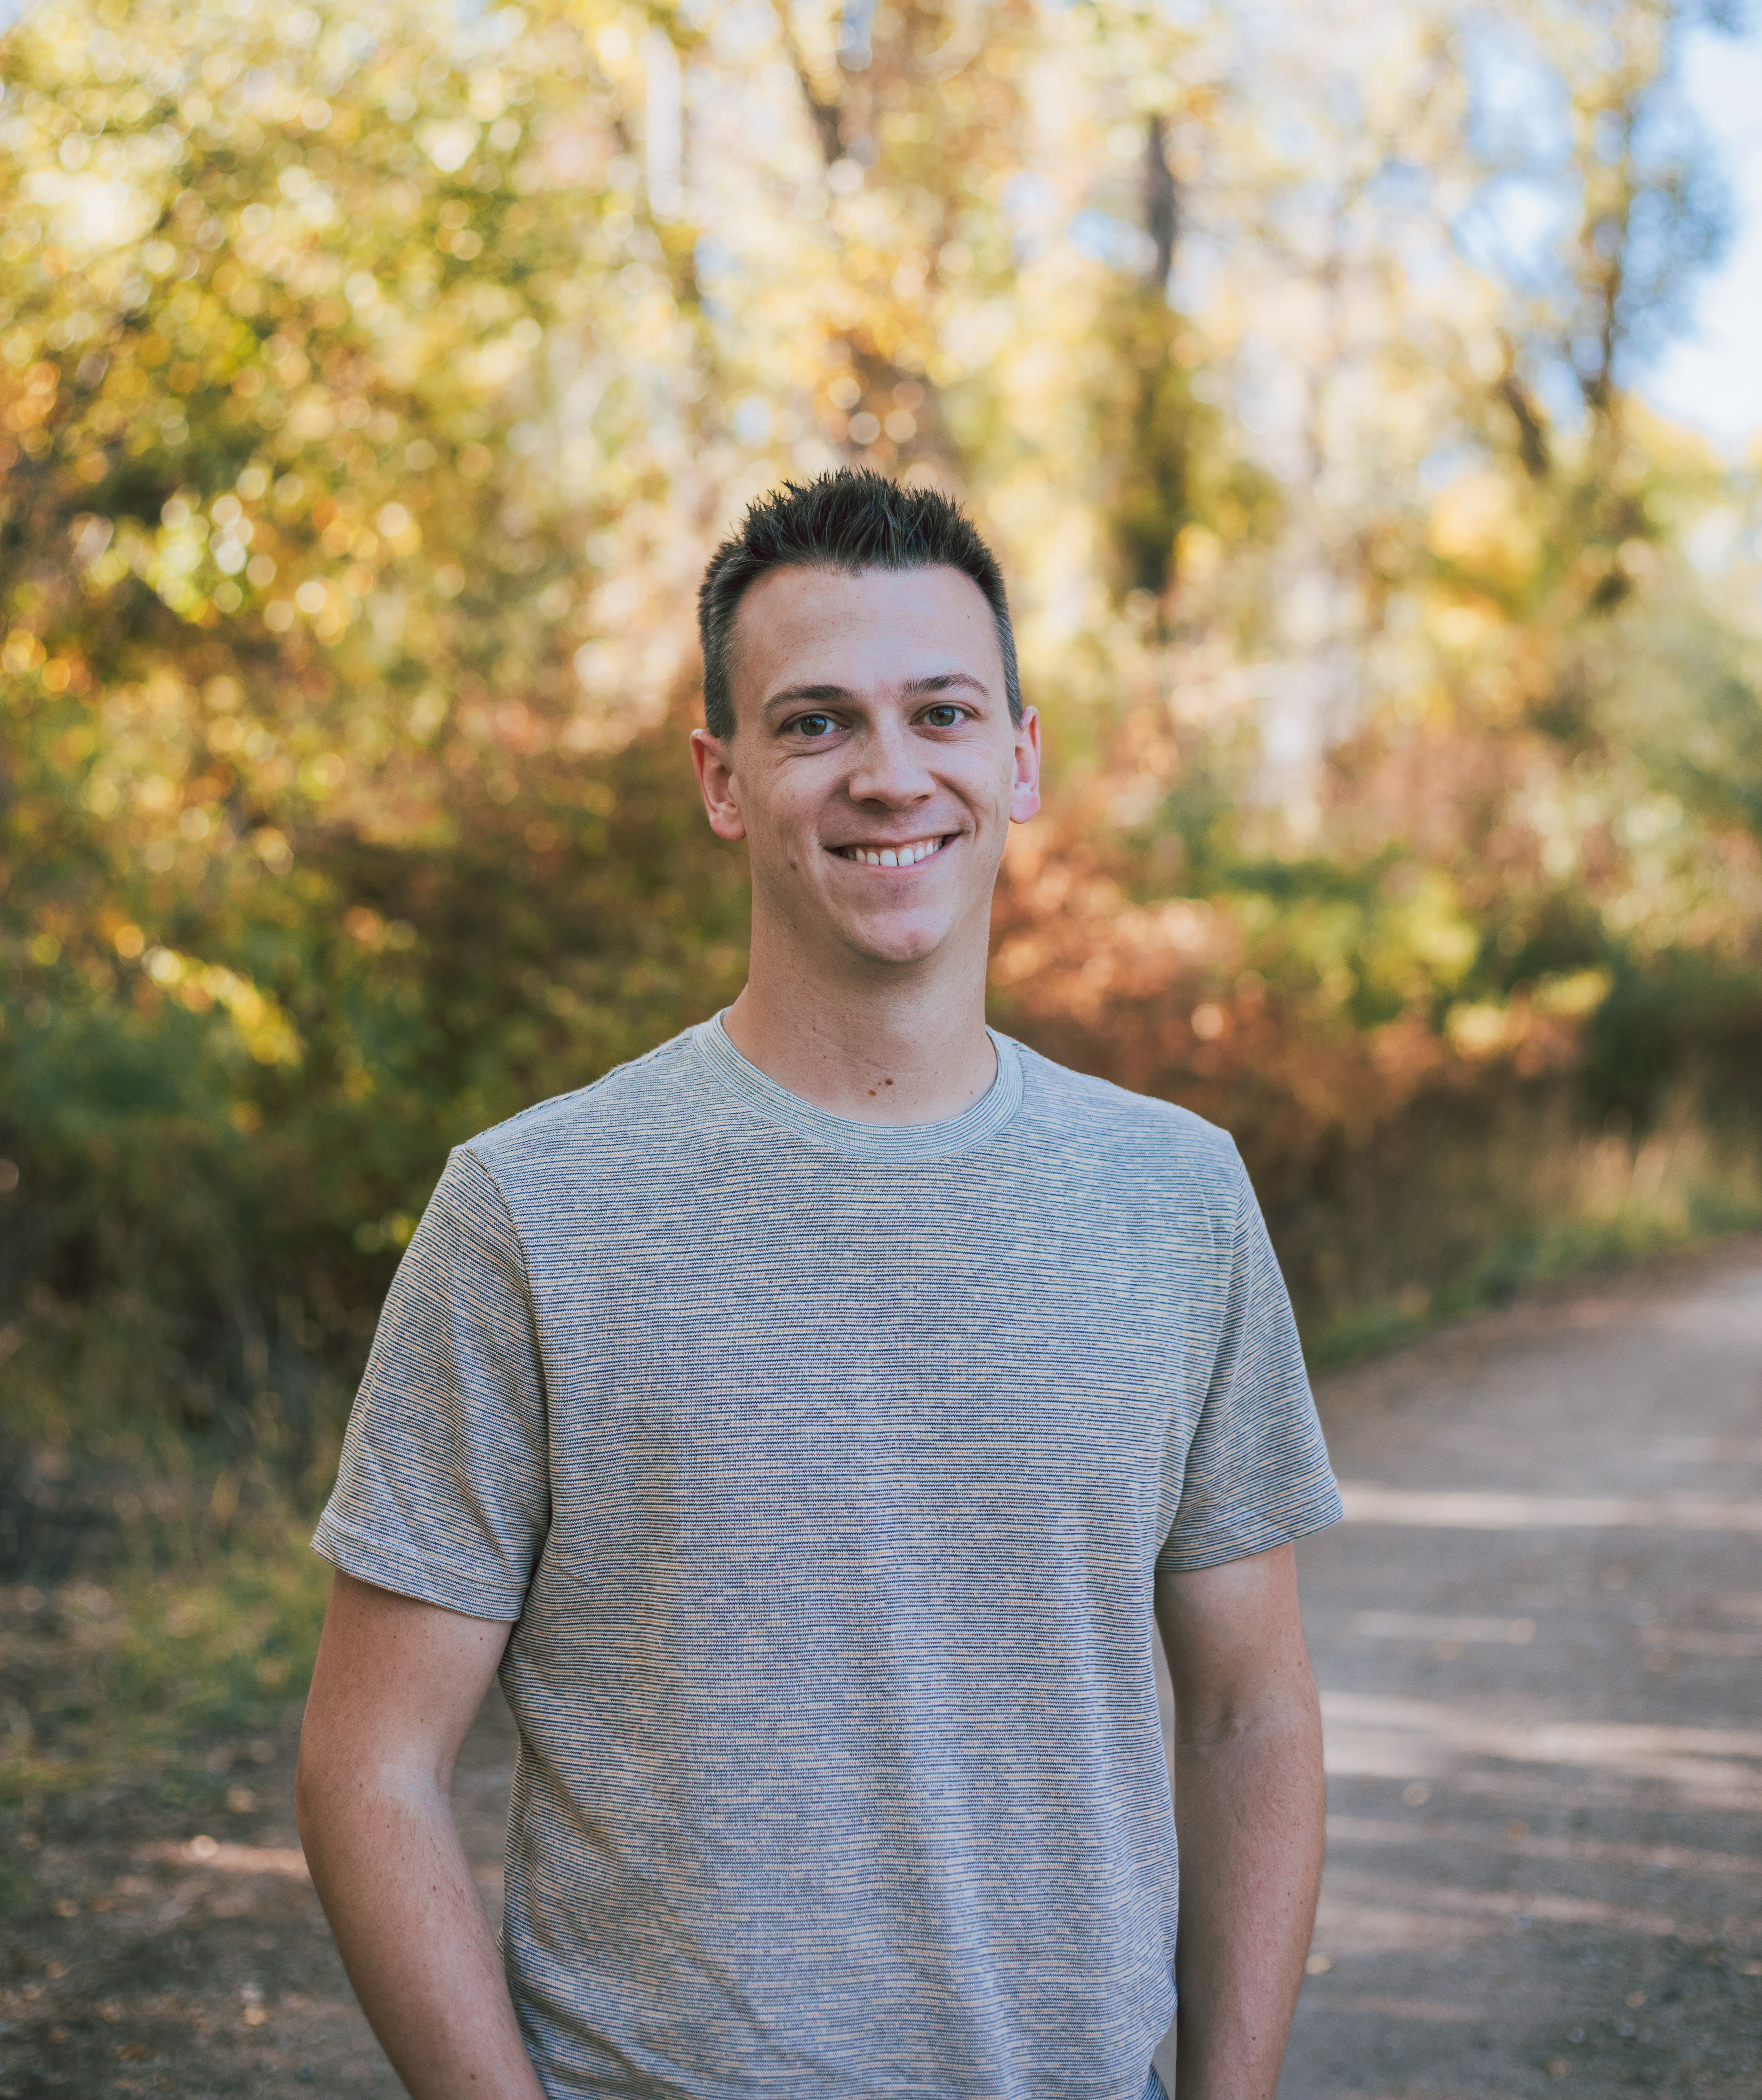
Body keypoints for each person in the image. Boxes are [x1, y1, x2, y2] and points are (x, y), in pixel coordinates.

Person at [296, 468, 1341, 2100]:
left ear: (1020, 757)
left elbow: (1247, 1716)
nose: (887, 774)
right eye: (813, 724)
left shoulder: (1175, 1195)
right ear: (723, 780)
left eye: (940, 712)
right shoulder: (533, 1207)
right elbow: (371, 1762)